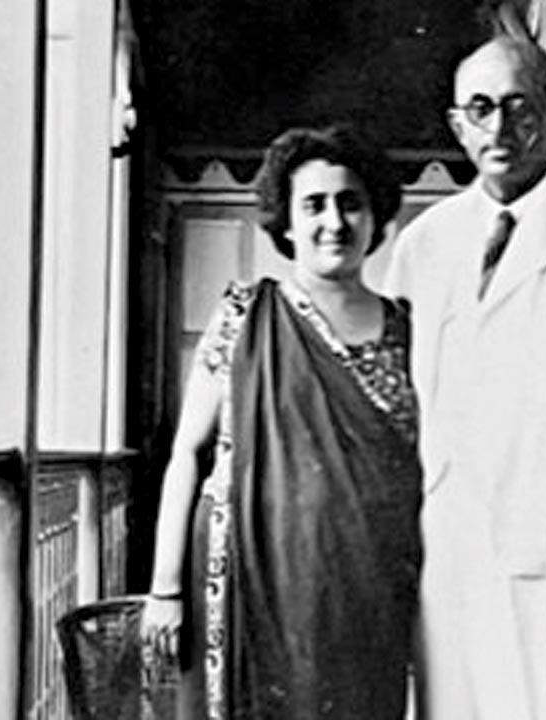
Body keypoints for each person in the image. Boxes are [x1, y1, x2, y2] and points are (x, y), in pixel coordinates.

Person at [384, 34, 546, 720]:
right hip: (446, 550)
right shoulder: (424, 245)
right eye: (481, 109)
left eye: (518, 107)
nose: (500, 128)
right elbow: (400, 408)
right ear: (456, 125)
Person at [139, 124, 422, 720]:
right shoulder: (246, 314)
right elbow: (188, 452)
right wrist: (165, 587)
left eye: (351, 203)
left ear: (375, 216)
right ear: (286, 224)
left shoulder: (407, 330)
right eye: (314, 205)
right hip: (248, 581)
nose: (335, 222)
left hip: (367, 592)